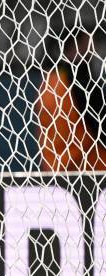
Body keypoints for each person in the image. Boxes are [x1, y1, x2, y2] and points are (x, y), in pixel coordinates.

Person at [36, 29, 106, 172]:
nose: (93, 51)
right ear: (75, 46)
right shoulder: (79, 82)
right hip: (88, 168)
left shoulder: (49, 82)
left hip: (54, 167)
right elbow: (98, 124)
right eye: (89, 45)